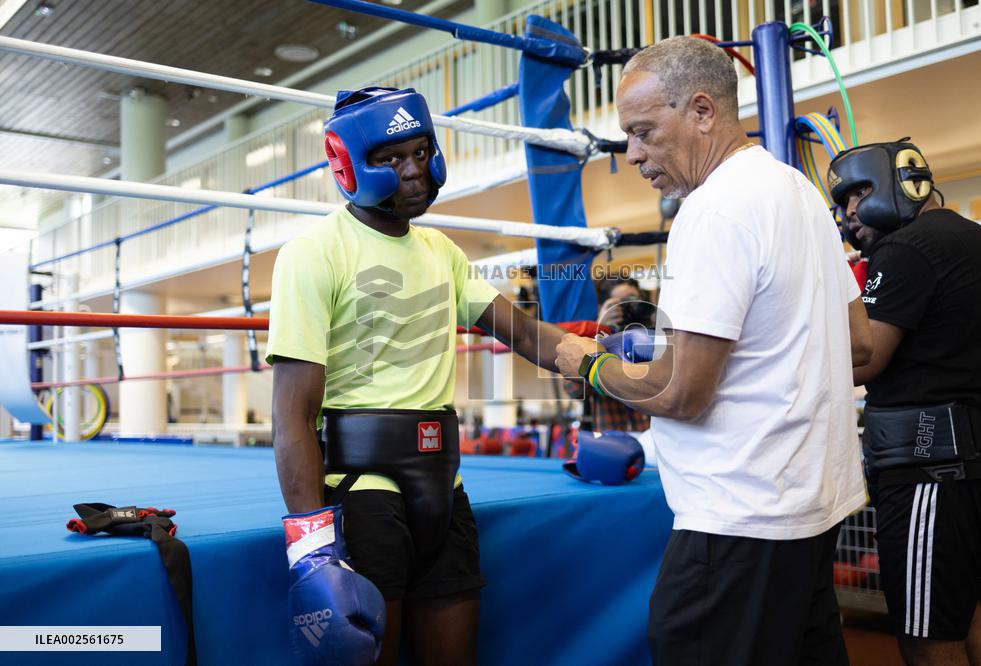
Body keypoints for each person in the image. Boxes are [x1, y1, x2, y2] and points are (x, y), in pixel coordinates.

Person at [554, 37, 873, 665]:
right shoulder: (797, 191)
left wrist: (583, 362)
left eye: (644, 131)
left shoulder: (713, 210)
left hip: (737, 519)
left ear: (702, 110)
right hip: (809, 509)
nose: (634, 155)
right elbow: (857, 343)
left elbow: (681, 394)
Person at [266, 86, 567, 666]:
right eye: (391, 158)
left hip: (444, 486)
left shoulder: (441, 251)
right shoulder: (314, 253)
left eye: (422, 152)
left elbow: (527, 335)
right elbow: (292, 418)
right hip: (363, 494)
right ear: (347, 163)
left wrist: (607, 360)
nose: (415, 172)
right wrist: (313, 553)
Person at [832, 140, 981, 666]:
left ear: (901, 182)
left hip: (934, 471)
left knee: (927, 635)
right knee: (980, 620)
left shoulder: (908, 248)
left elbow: (868, 358)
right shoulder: (979, 240)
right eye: (842, 203)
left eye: (857, 193)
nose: (850, 214)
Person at [564, 278, 651, 432]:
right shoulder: (596, 342)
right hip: (613, 438)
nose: (630, 308)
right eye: (622, 304)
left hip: (653, 436)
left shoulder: (653, 338)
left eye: (634, 301)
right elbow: (574, 390)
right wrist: (599, 329)